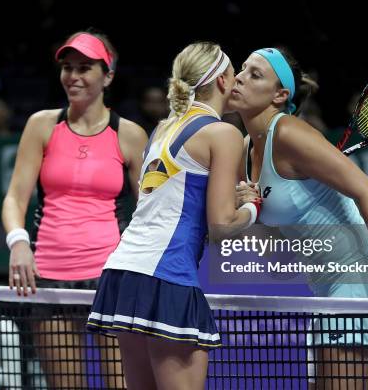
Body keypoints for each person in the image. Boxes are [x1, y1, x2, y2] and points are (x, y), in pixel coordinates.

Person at [230, 47, 368, 389]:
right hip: (323, 286)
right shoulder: (245, 149)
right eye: (242, 68)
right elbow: (273, 251)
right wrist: (251, 212)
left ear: (280, 95)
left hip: (356, 278)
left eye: (254, 74)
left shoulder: (287, 133)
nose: (239, 77)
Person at [86, 42, 261, 389]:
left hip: (124, 271)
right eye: (233, 72)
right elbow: (222, 226)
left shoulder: (163, 128)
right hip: (166, 275)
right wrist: (251, 208)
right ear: (223, 82)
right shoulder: (223, 133)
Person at [2, 30, 148, 388]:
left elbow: (148, 211)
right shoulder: (41, 126)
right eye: (68, 68)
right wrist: (19, 242)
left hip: (111, 278)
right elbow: (15, 198)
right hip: (50, 277)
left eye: (85, 68)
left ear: (108, 75)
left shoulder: (129, 135)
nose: (74, 76)